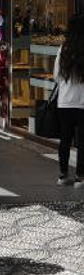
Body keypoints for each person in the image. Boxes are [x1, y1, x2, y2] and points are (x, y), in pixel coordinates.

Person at [54, 15, 84, 187]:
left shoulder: (63, 49)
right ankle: (80, 176)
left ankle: (63, 175)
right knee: (82, 141)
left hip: (65, 101)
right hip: (82, 102)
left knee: (65, 139)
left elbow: (56, 76)